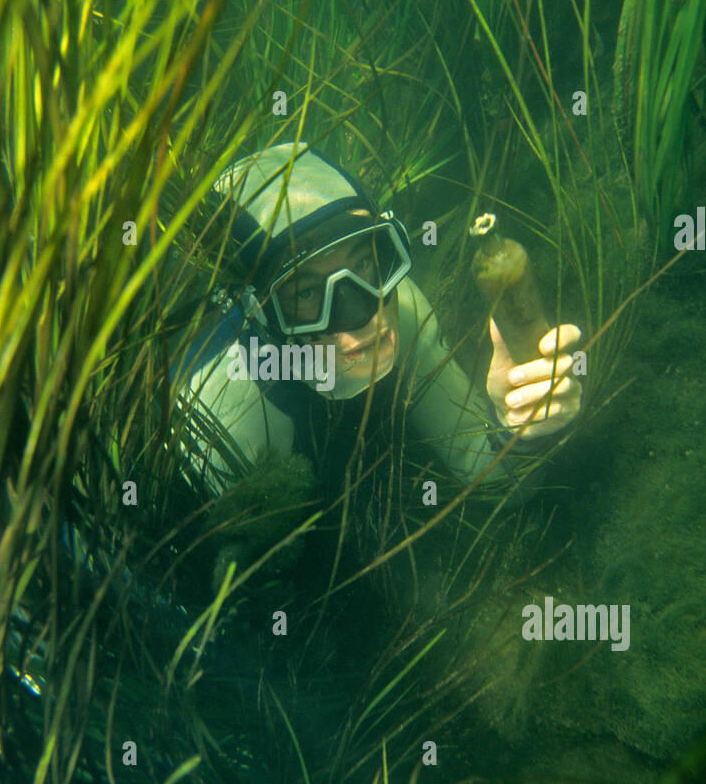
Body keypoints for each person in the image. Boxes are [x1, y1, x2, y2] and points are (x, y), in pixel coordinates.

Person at [171, 142, 581, 573]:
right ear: (261, 314)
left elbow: (494, 481)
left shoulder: (398, 303)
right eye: (307, 292)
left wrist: (520, 425)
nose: (361, 315)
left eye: (364, 263)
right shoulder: (228, 411)